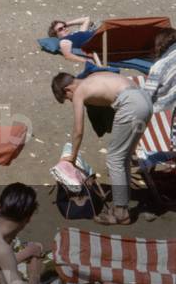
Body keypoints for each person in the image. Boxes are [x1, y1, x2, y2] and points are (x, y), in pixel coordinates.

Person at [52, 70, 153, 224]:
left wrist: (72, 157)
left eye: (68, 99)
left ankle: (121, 212)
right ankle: (122, 205)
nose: (71, 101)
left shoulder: (79, 91)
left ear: (68, 90)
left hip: (130, 104)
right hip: (144, 101)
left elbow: (78, 131)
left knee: (114, 158)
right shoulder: (92, 78)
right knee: (122, 157)